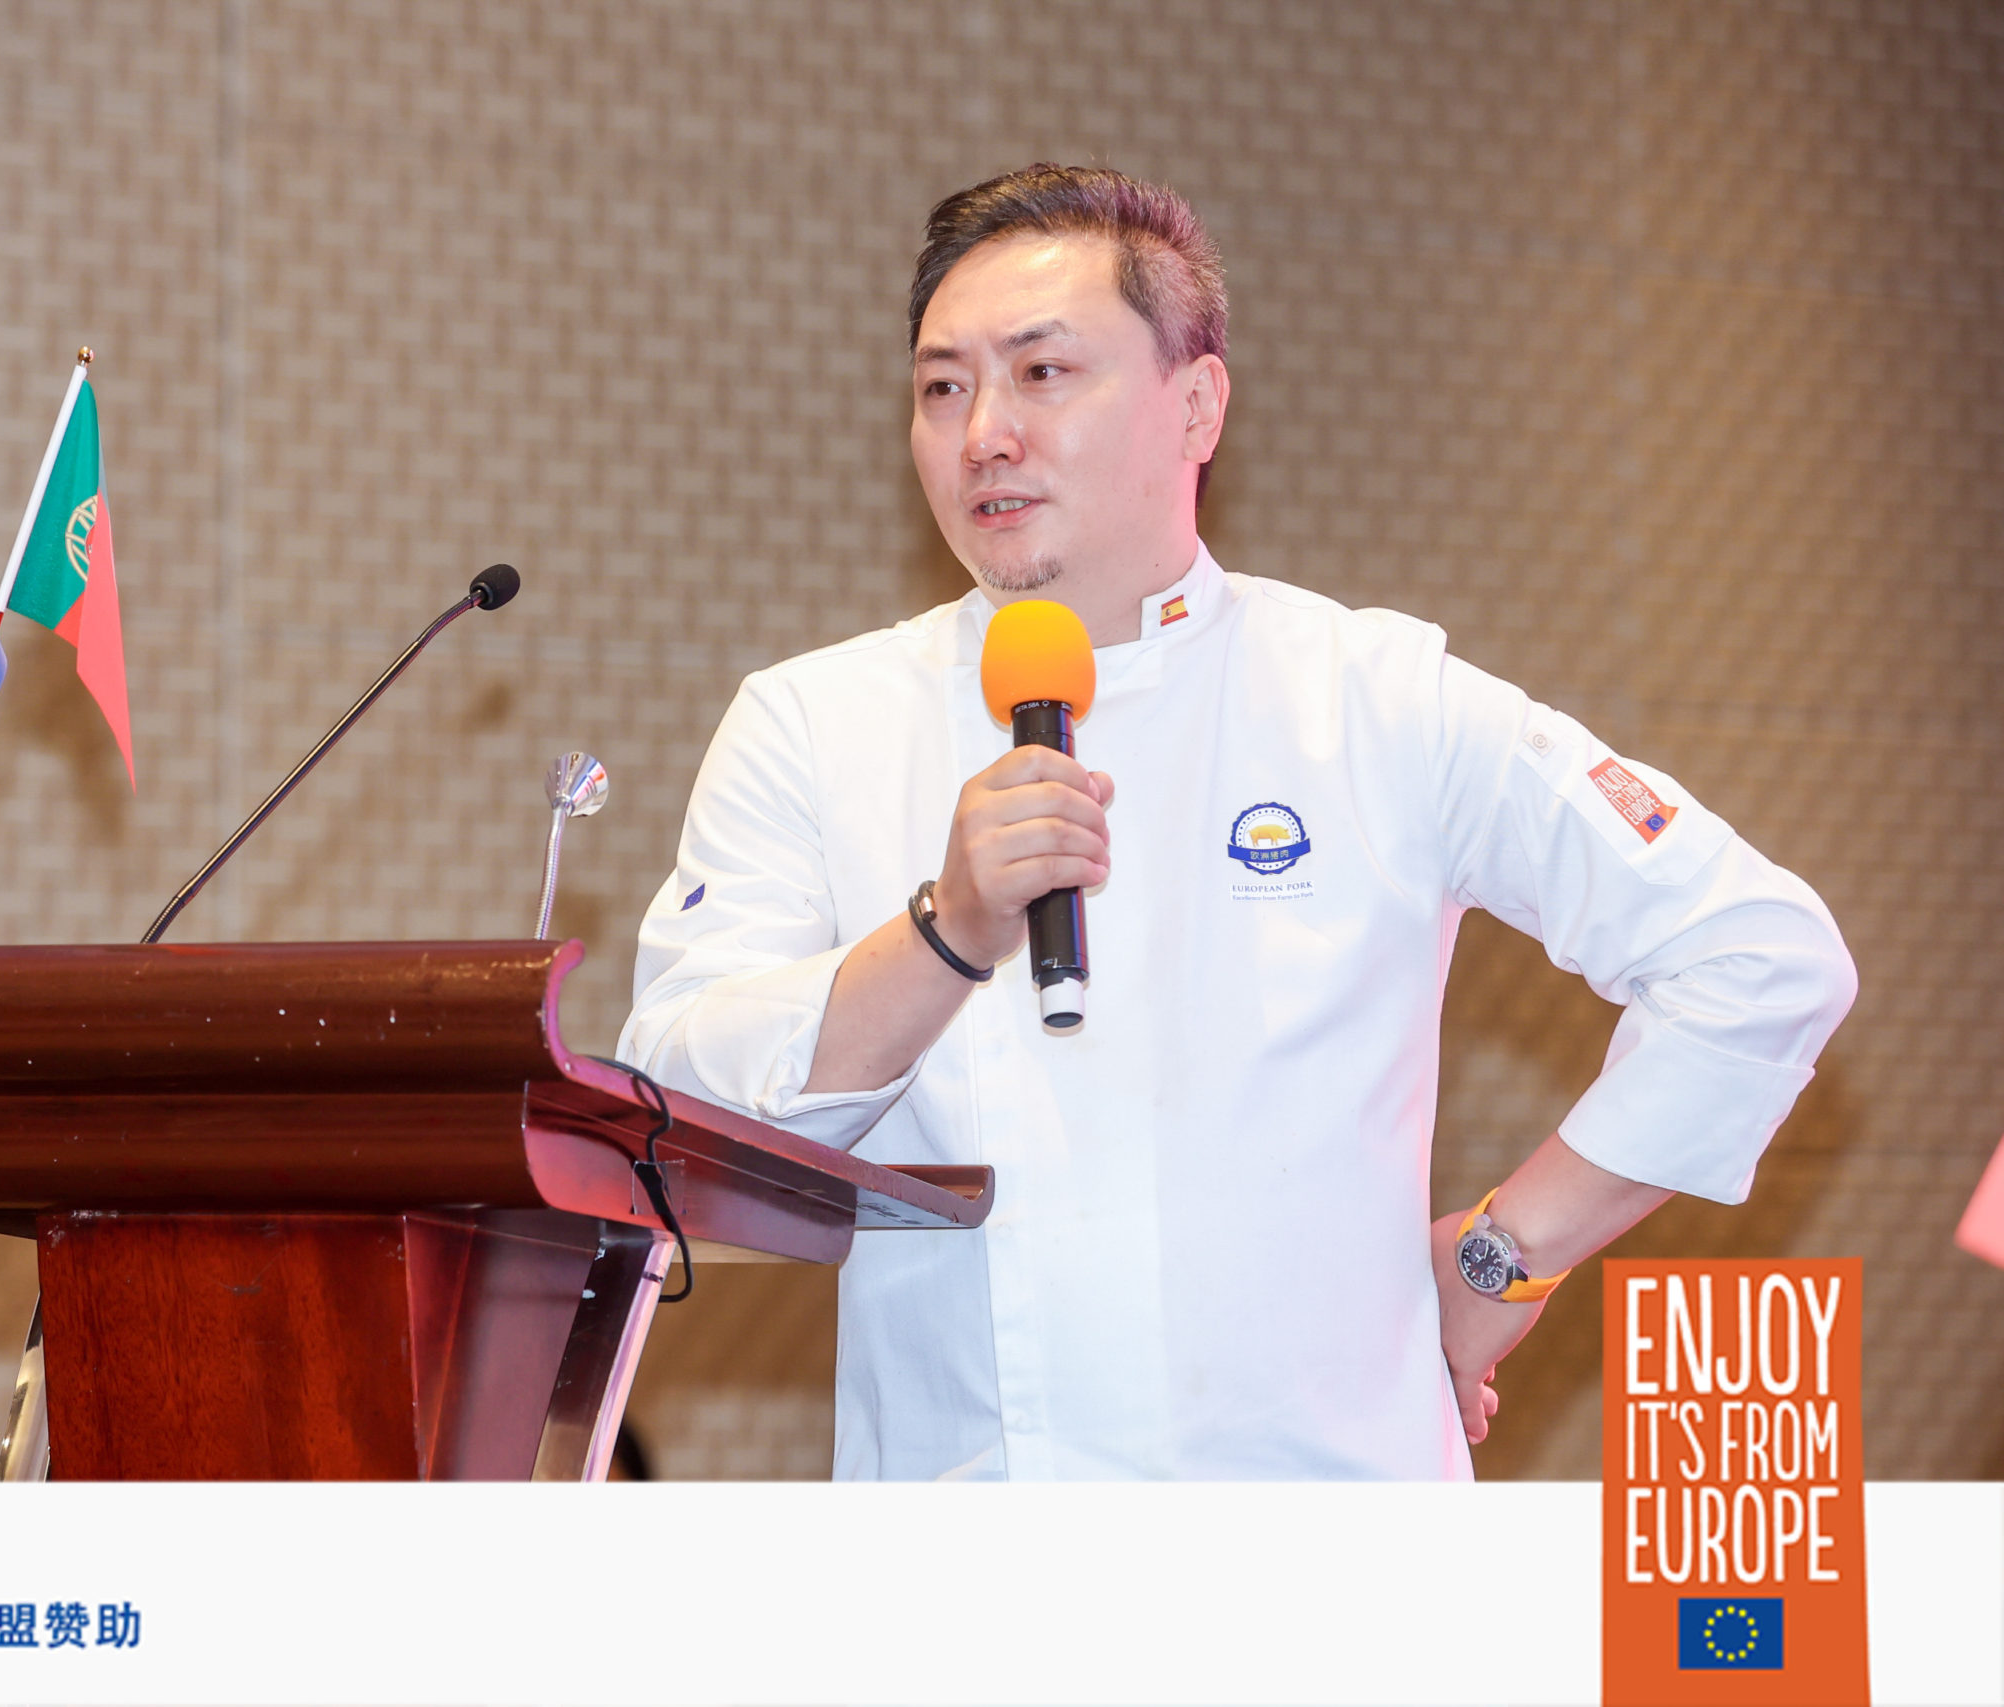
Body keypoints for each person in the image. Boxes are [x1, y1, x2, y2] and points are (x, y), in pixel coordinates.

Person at [616, 165, 1857, 1480]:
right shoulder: (816, 721)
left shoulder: (1374, 698)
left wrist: (1503, 1256)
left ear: (1197, 404)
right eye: (942, 388)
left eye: (1042, 373)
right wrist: (943, 935)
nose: (984, 433)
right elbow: (668, 1114)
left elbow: (1760, 960)